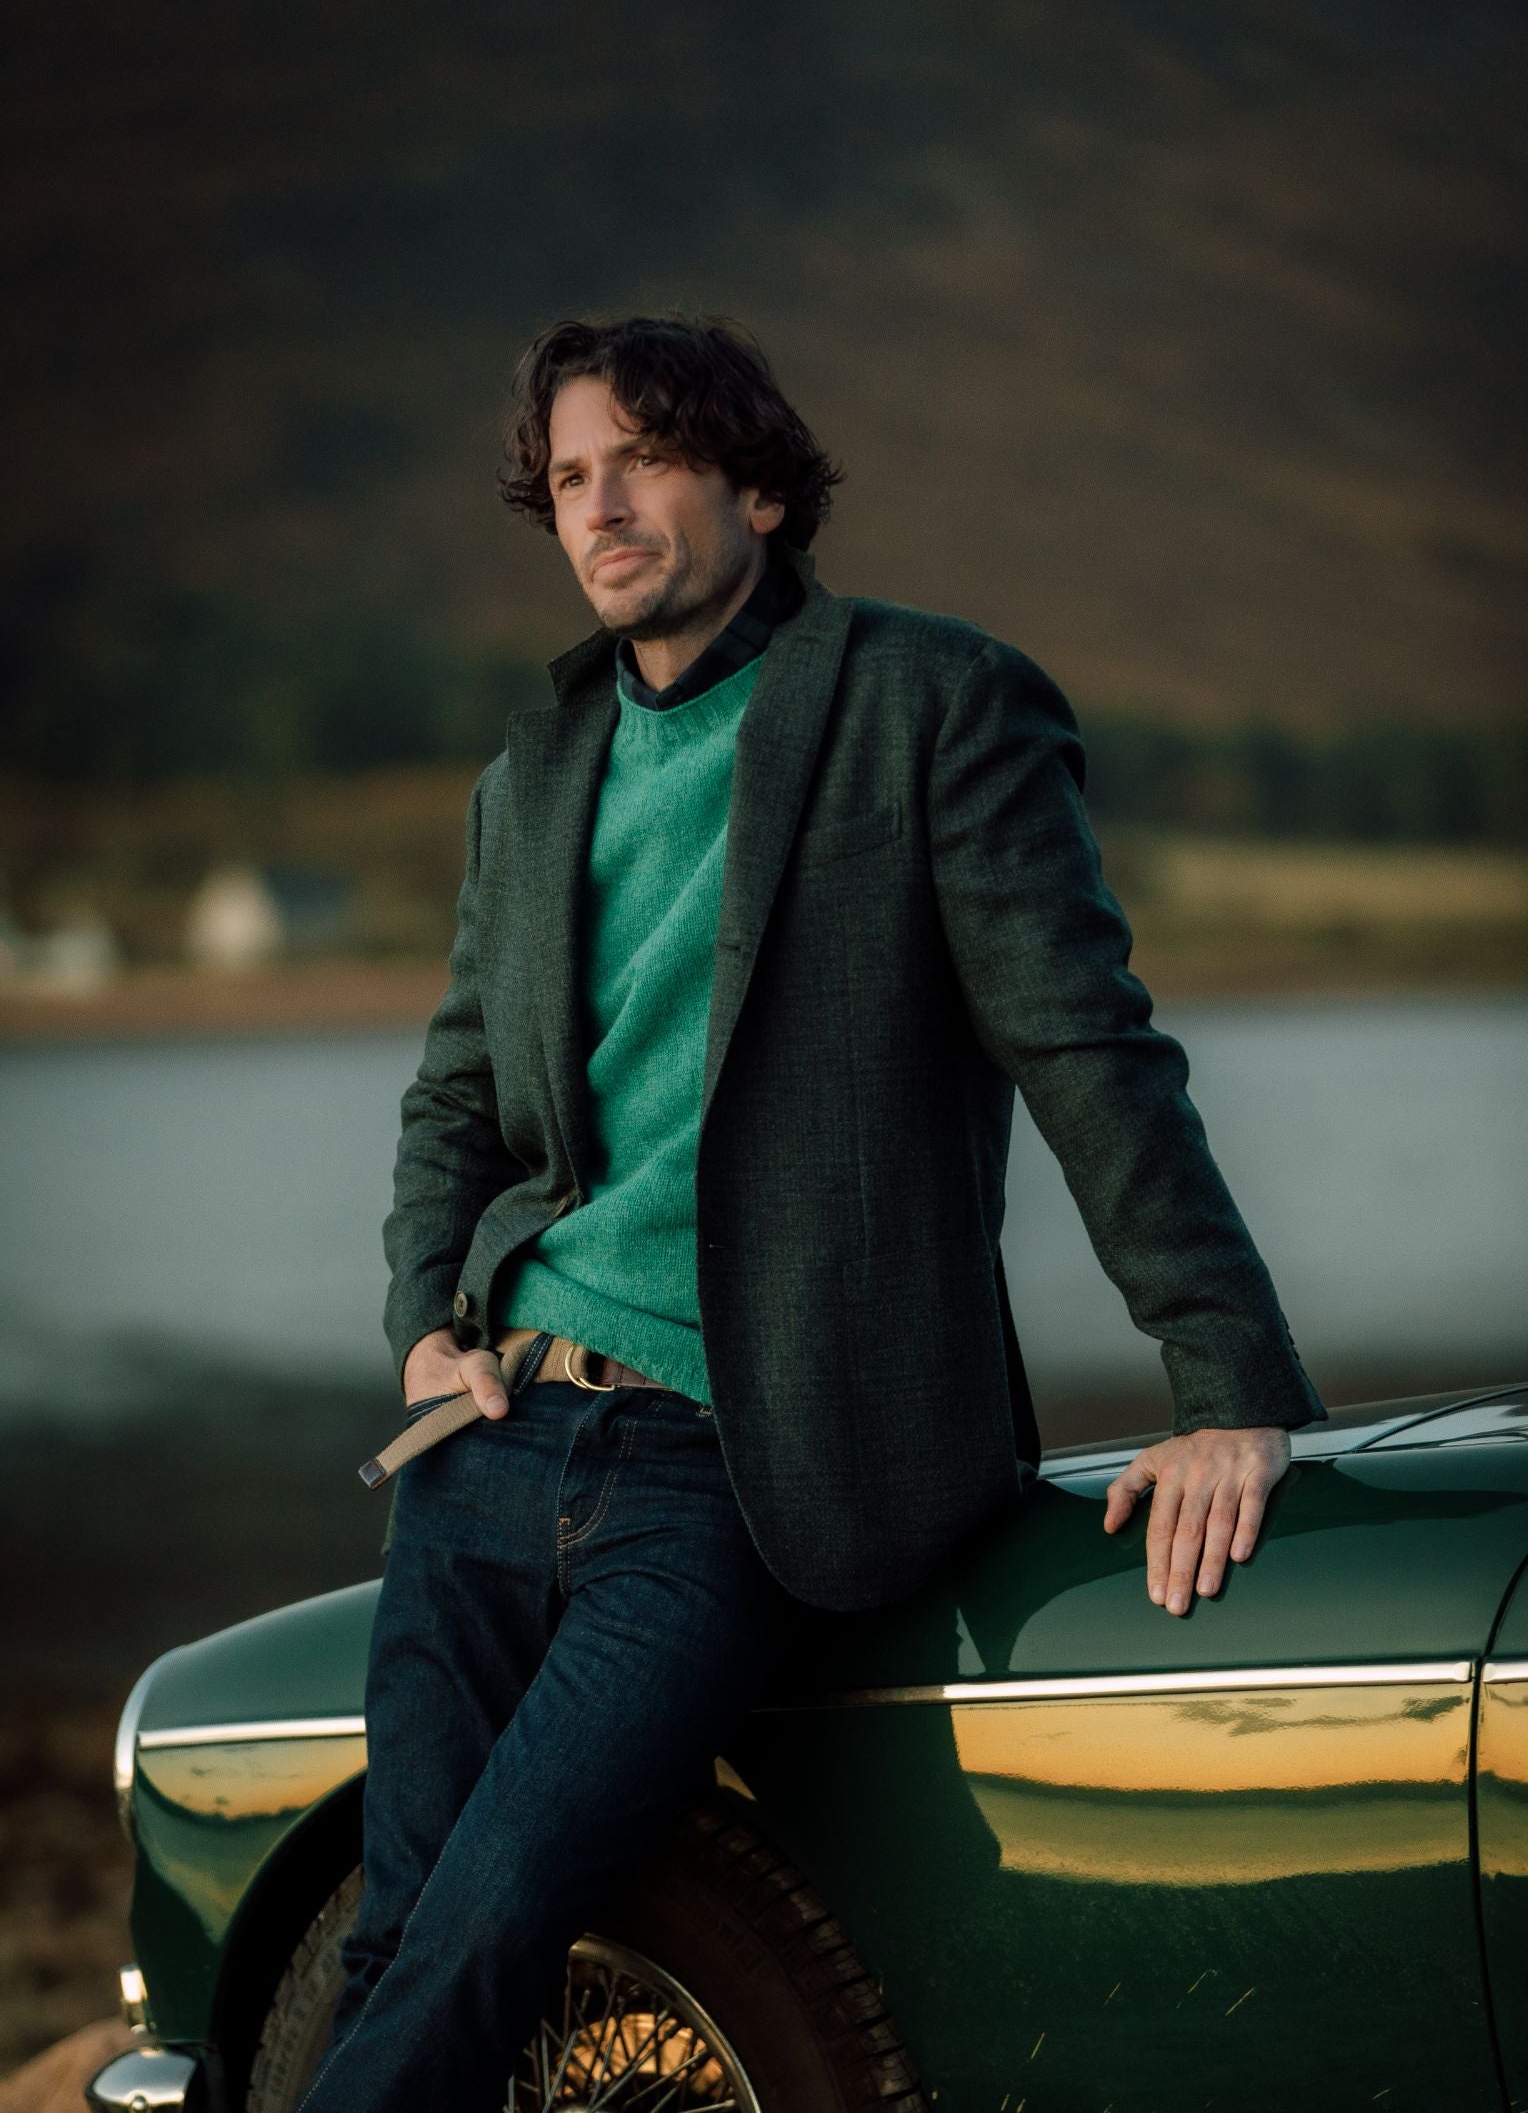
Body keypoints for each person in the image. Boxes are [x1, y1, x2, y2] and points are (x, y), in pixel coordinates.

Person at [296, 313, 1325, 2111]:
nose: (600, 506)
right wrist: (423, 1327)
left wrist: (1226, 1377)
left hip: (732, 1463)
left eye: (644, 460)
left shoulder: (932, 704)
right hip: (487, 1444)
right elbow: (458, 1097)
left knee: (495, 1920)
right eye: (570, 477)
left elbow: (1086, 1046)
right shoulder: (527, 780)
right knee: (395, 1941)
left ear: (761, 490)